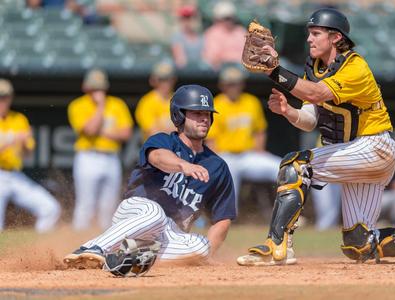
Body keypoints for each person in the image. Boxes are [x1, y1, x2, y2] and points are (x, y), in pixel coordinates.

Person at [237, 8, 395, 266]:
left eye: (316, 34)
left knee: (295, 164)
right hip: (357, 152)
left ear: (336, 37)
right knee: (359, 245)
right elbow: (311, 118)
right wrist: (289, 112)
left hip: (375, 146)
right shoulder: (316, 67)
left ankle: (277, 245)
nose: (309, 39)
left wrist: (274, 71)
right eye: (309, 34)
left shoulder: (355, 67)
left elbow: (315, 94)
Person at [63, 85, 236, 268]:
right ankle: (91, 249)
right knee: (156, 214)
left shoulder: (217, 166)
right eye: (197, 112)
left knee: (201, 247)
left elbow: (222, 218)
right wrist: (182, 165)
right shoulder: (163, 141)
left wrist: (208, 255)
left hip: (169, 235)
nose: (204, 119)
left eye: (207, 114)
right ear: (180, 115)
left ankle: (121, 259)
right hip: (138, 213)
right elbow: (157, 157)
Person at [68, 69, 133, 231]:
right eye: (94, 88)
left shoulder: (117, 104)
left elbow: (126, 133)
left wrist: (103, 132)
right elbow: (90, 130)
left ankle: (105, 245)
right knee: (86, 204)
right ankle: (77, 244)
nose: (98, 92)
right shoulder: (78, 105)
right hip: (88, 157)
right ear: (85, 87)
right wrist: (101, 106)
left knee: (109, 206)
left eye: (100, 88)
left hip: (111, 158)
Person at [206, 65, 280, 208]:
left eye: (237, 83)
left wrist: (260, 150)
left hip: (248, 156)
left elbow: (260, 130)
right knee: (229, 174)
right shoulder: (216, 104)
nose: (234, 87)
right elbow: (211, 140)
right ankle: (228, 219)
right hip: (225, 156)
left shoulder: (251, 102)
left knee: (282, 168)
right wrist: (216, 163)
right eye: (230, 83)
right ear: (223, 85)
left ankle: (289, 213)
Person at [0, 79, 60, 233]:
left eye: (5, 97)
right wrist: (13, 139)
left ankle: (37, 251)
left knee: (50, 208)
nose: (2, 101)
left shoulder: (18, 119)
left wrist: (25, 144)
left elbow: (28, 153)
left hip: (14, 175)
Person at [135, 61, 177, 141]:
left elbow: (188, 131)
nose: (165, 83)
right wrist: (177, 131)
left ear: (174, 79)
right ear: (153, 80)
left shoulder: (180, 100)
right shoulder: (146, 102)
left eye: (168, 79)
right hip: (156, 149)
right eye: (161, 79)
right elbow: (153, 133)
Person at [202, 1, 247, 70]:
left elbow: (248, 55)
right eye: (225, 18)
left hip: (241, 69)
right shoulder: (212, 33)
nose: (228, 21)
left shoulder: (241, 32)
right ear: (218, 19)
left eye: (230, 18)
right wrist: (234, 57)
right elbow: (213, 57)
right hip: (220, 70)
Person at [171, 5, 208, 70]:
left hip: (200, 72)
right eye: (184, 18)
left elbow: (206, 58)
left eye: (190, 18)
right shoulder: (177, 37)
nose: (187, 22)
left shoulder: (201, 37)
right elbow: (181, 60)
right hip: (184, 73)